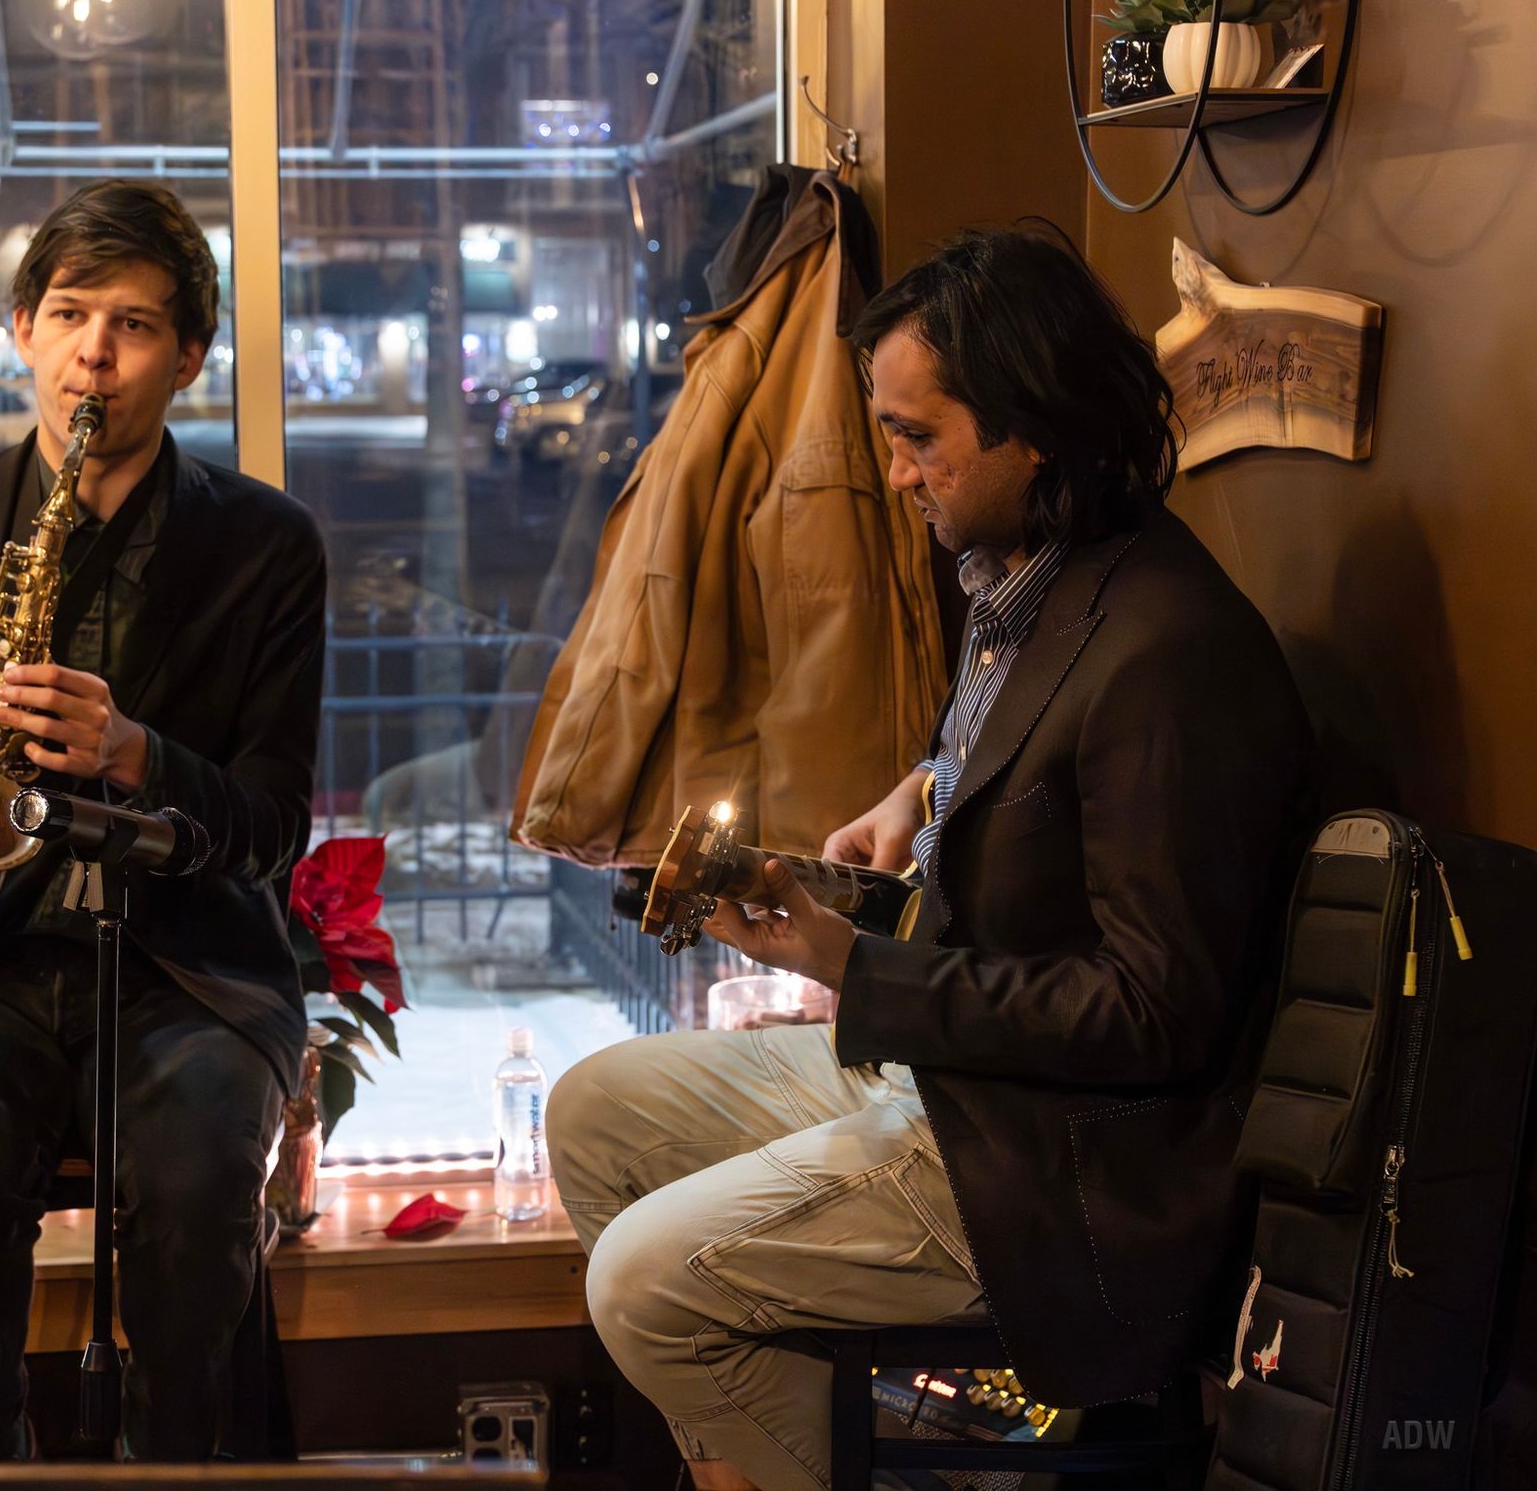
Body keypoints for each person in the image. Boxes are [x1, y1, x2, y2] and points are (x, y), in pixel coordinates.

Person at [547, 227, 1314, 1491]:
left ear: (1036, 427)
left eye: (918, 437)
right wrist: (922, 792)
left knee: (641, 1281)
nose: (895, 472)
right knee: (592, 1112)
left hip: (1060, 1169)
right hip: (956, 1082)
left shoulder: (1168, 652)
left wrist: (853, 964)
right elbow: (1032, 777)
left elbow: (1154, 1012)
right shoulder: (1018, 581)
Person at [0, 179, 326, 1461]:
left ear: (189, 358)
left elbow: (272, 824)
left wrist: (137, 753)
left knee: (199, 1186)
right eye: (69, 314)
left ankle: (177, 1470)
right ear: (22, 330)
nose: (93, 353)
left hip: (187, 969)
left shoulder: (269, 547)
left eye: (135, 325)